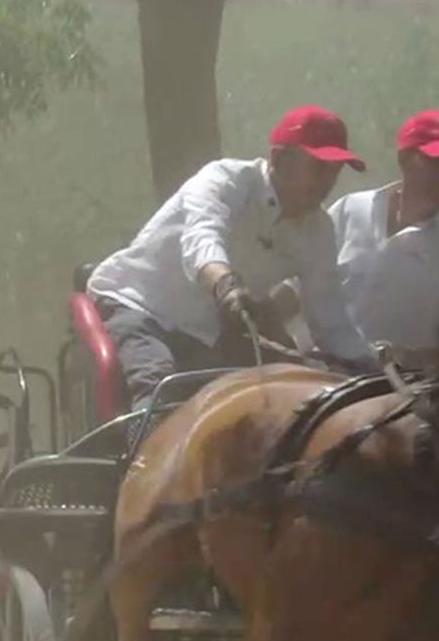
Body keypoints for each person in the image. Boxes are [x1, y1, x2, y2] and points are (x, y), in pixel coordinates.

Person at [86, 105, 375, 414]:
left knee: (288, 398)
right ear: (278, 158)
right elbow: (201, 238)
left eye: (335, 170)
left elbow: (329, 318)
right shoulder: (225, 179)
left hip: (209, 331)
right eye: (319, 167)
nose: (328, 181)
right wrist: (226, 285)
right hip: (140, 306)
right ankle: (141, 460)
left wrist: (373, 365)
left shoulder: (318, 230)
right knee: (159, 388)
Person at [324, 109, 439, 371]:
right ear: (404, 159)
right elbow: (301, 284)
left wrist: (406, 358)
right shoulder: (349, 210)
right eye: (437, 162)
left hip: (393, 396)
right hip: (316, 377)